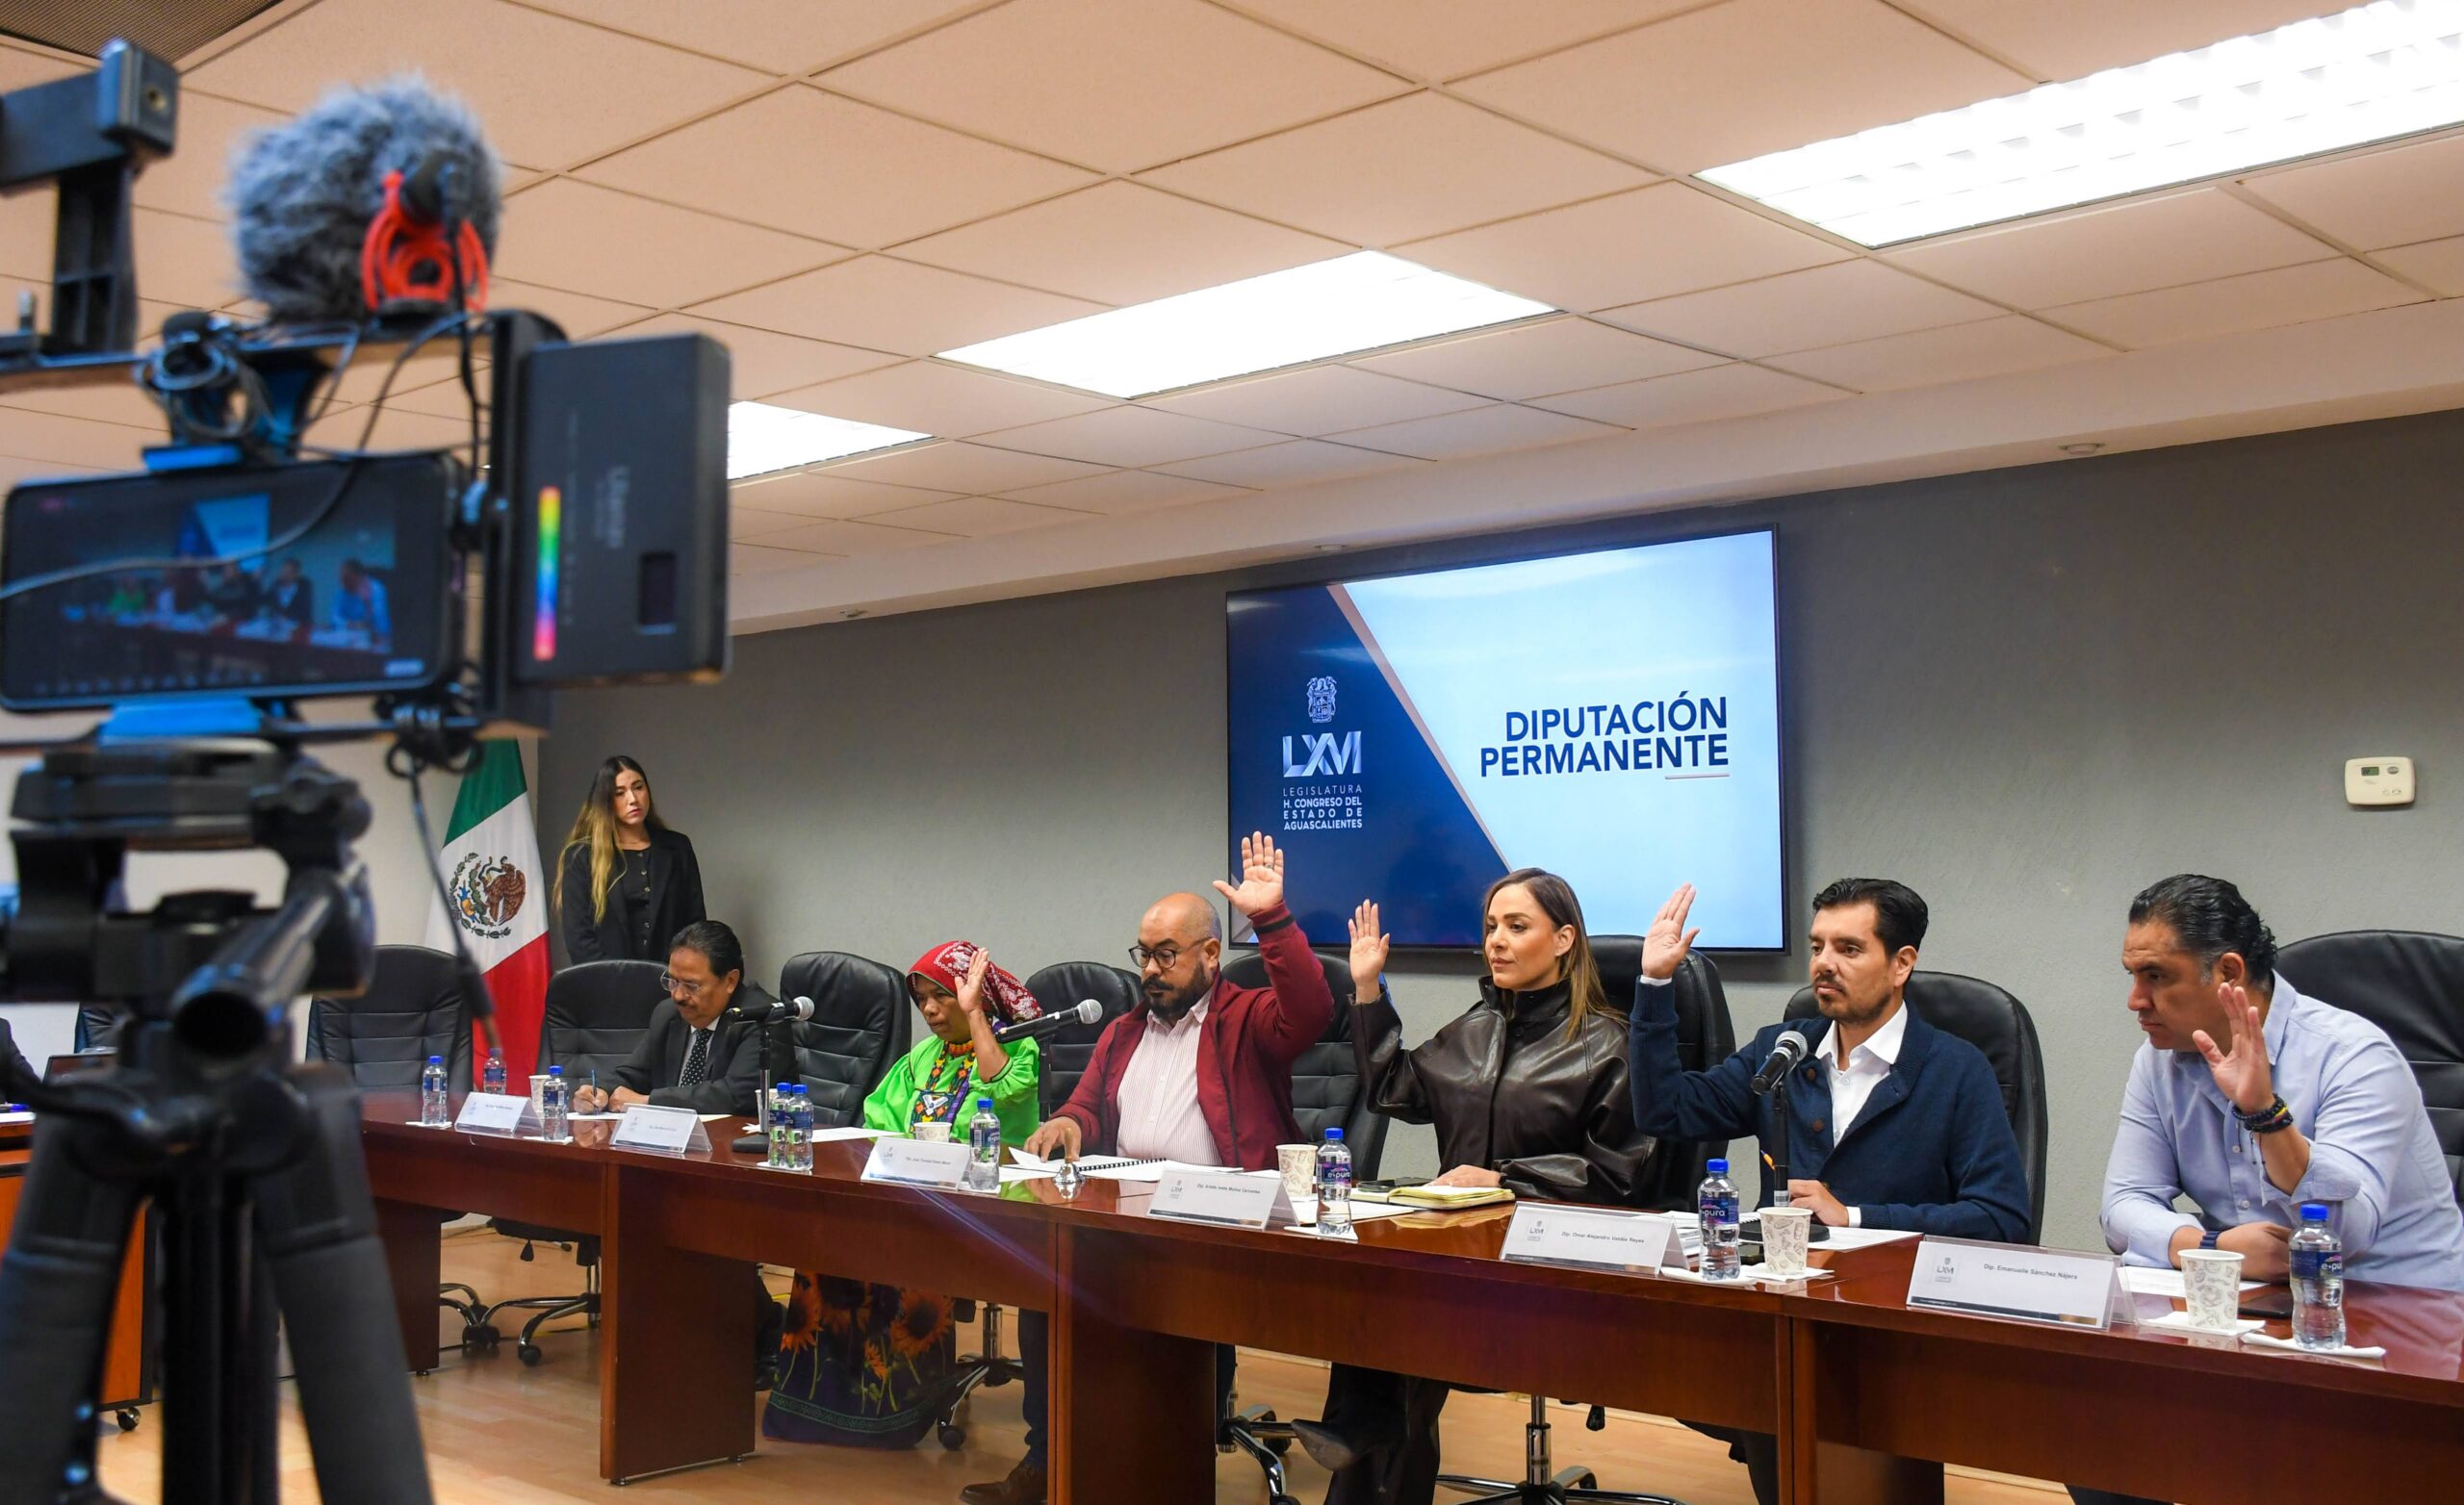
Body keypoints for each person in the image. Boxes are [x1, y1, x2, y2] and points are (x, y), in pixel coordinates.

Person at [959, 832, 1336, 1505]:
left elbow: (1311, 1011)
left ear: (1210, 955)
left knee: (1159, 1311)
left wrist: (1272, 920)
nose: (1151, 970)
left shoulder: (1247, 1019)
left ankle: (1170, 1456)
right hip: (1124, 1211)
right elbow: (1086, 1108)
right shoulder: (1124, 1030)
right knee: (1049, 1286)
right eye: (1144, 954)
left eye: (1167, 955)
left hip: (1216, 1223)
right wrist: (1069, 1124)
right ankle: (1050, 1457)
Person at [1630, 878, 2030, 1505]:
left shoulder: (1956, 1070)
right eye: (1818, 946)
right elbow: (1666, 1110)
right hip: (1784, 1319)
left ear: (1901, 964)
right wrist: (1655, 985)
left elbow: (2001, 1219)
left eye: (1848, 948)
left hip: (1894, 1325)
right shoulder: (1783, 1051)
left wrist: (1855, 1217)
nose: (1823, 963)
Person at [2066, 875, 2464, 1503]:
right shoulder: (2158, 1062)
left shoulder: (2354, 1055)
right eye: (2132, 975)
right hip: (2255, 1314)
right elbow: (2121, 1208)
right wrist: (2212, 1246)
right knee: (2101, 1436)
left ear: (2227, 973)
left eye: (2156, 976)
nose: (2135, 1000)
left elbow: (2345, 1236)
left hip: (2395, 1321)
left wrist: (2265, 1114)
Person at [1302, 872, 1668, 1504]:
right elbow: (1393, 1087)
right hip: (1461, 1253)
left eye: (1517, 927)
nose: (1496, 940)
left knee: (1402, 1326)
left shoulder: (1608, 1045)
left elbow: (1620, 1175)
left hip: (1553, 1262)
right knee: (1380, 1278)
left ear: (1564, 939)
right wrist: (1366, 988)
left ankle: (1364, 1427)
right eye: (1492, 927)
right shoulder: (1476, 1028)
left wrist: (1505, 1179)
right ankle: (1368, 1431)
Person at [764, 941, 1044, 1450]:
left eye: (943, 996)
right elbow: (881, 1119)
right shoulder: (923, 1057)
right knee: (834, 1243)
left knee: (900, 1249)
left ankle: (895, 1409)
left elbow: (1003, 1087)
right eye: (922, 1001)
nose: (930, 1010)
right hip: (917, 1194)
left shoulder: (1018, 1047)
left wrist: (976, 1014)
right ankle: (827, 1403)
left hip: (990, 1202)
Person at [569, 921, 781, 1385]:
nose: (679, 996)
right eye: (673, 981)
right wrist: (599, 1091)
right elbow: (633, 1073)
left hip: (734, 1163)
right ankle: (674, 1332)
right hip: (670, 1157)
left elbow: (736, 1093)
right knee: (630, 1210)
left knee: (692, 1222)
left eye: (692, 985)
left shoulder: (761, 1018)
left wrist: (648, 1102)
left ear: (730, 980)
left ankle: (760, 1330)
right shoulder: (668, 1014)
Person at [554, 754, 706, 965]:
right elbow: (579, 938)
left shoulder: (677, 847)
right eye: (620, 793)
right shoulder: (582, 855)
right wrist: (618, 979)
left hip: (669, 978)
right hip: (604, 979)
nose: (633, 799)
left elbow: (695, 925)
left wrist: (677, 975)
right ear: (605, 801)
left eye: (638, 787)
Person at [328, 558, 390, 647]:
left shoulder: (376, 590)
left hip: (374, 641)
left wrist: (367, 602)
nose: (342, 583)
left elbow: (382, 626)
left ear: (359, 577)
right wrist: (349, 625)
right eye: (341, 579)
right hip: (348, 639)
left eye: (346, 579)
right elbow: (334, 618)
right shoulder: (342, 592)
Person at [262, 557, 313, 630]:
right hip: (275, 626)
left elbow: (304, 611)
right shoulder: (275, 585)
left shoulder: (304, 588)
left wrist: (287, 618)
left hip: (295, 627)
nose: (286, 574)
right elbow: (265, 601)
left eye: (290, 572)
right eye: (284, 571)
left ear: (296, 574)